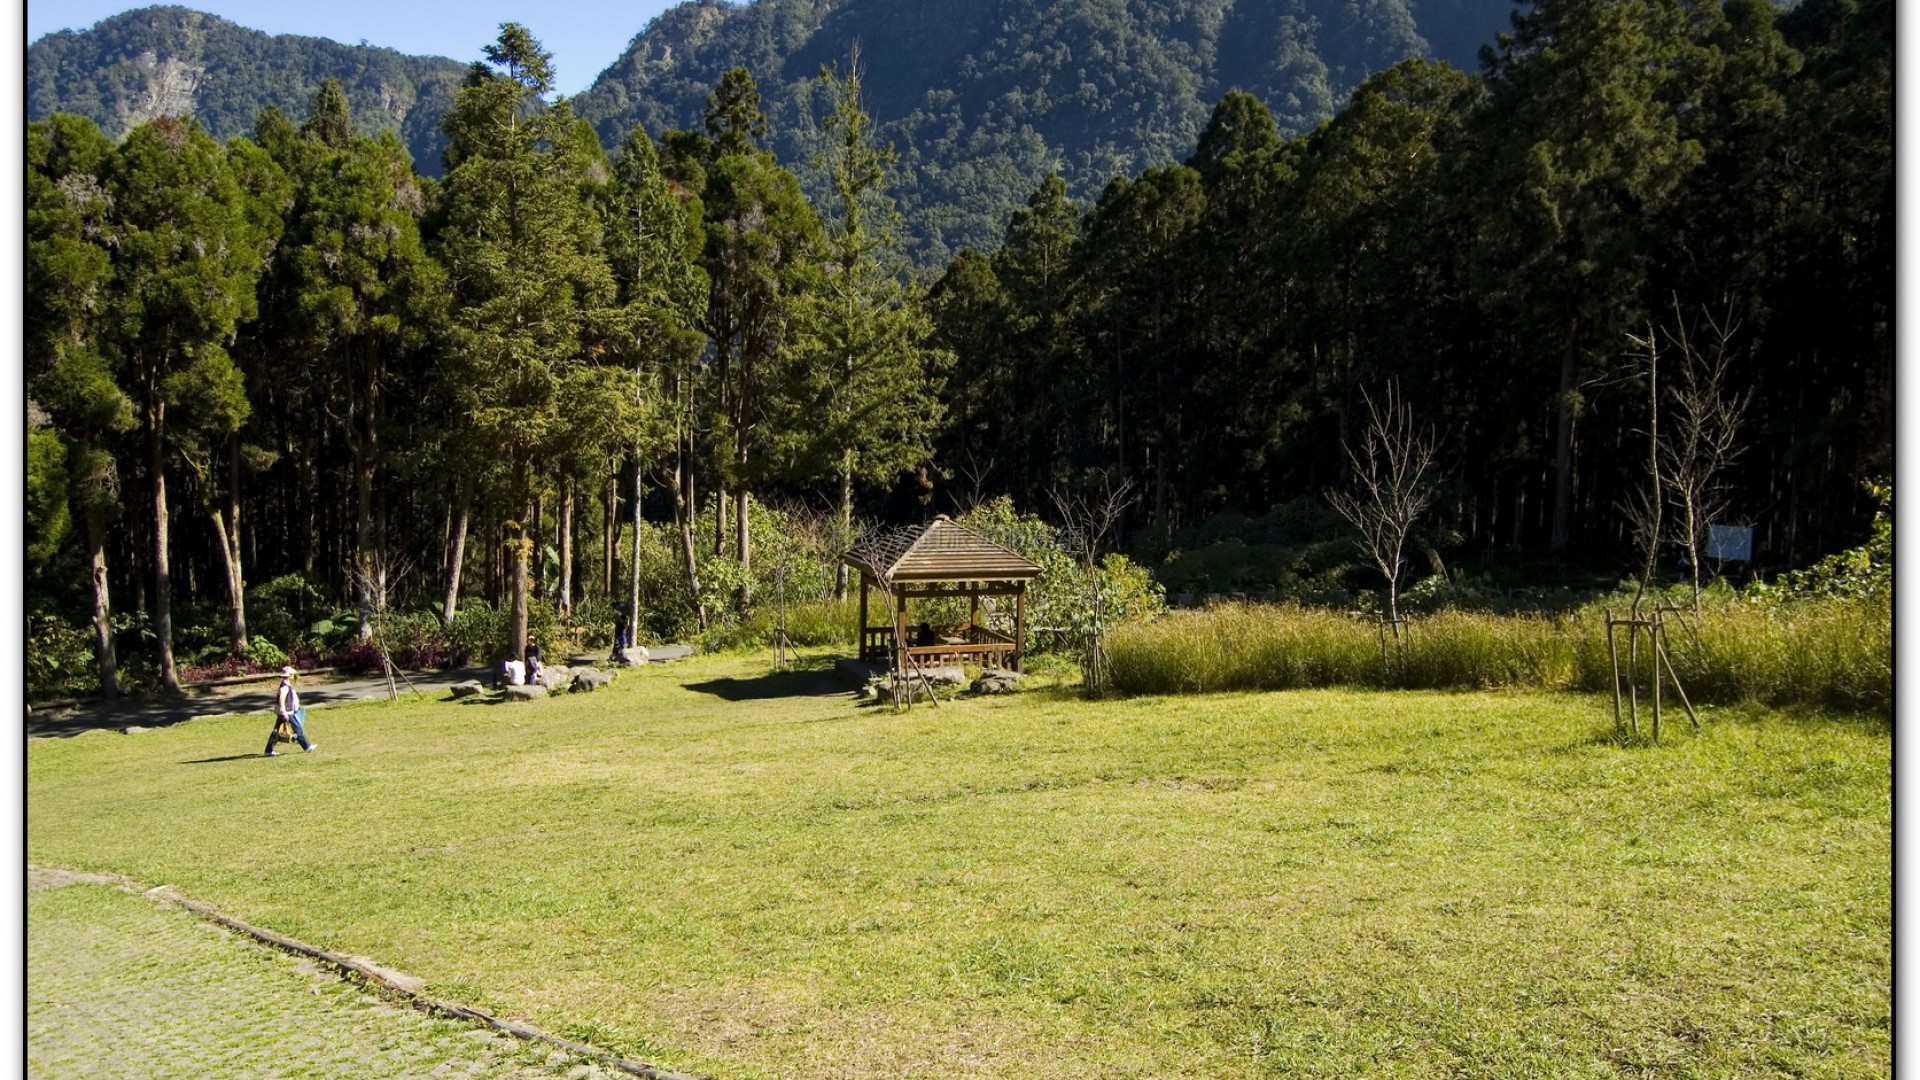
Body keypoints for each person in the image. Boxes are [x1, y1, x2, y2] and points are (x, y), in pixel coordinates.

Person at [265, 666, 315, 756]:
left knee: (276, 730)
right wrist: (284, 713)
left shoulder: (285, 684)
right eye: (293, 675)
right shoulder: (285, 687)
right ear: (289, 676)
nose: (294, 676)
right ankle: (306, 746)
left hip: (283, 711)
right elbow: (281, 700)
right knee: (297, 727)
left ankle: (268, 750)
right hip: (286, 712)